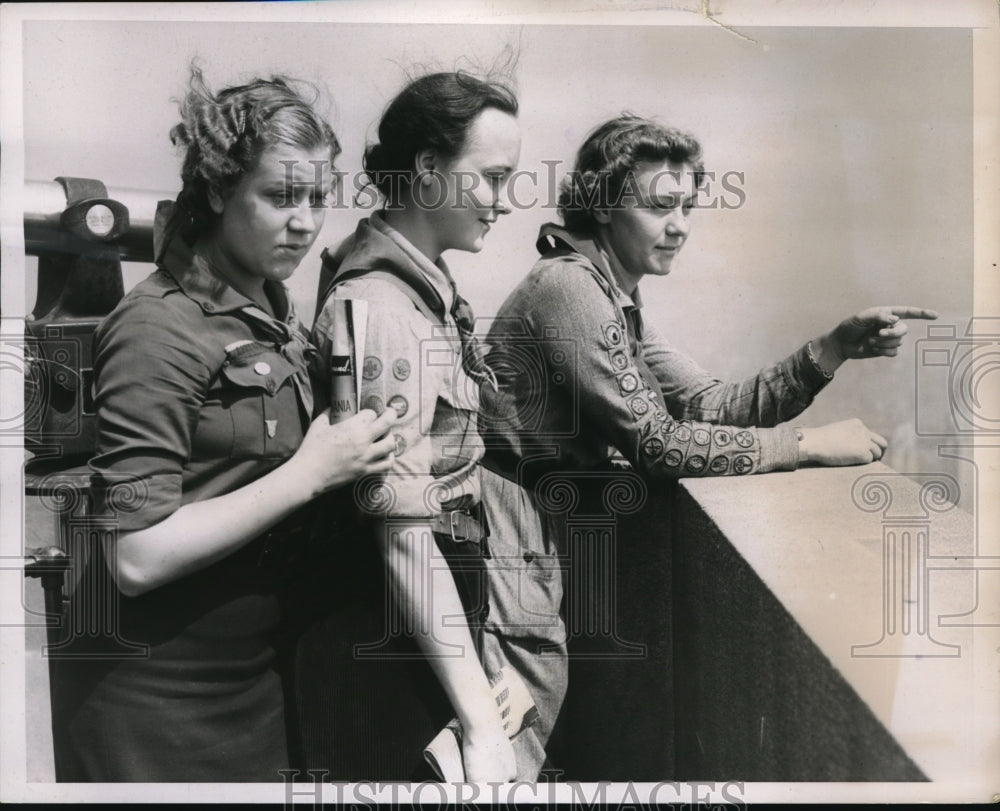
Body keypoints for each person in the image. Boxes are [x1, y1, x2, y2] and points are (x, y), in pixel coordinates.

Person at [476, 114, 938, 779]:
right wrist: (804, 444)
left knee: (524, 737)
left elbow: (712, 405)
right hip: (509, 545)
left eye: (687, 205)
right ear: (604, 206)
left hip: (545, 541)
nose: (681, 223)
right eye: (662, 204)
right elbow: (659, 445)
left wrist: (830, 351)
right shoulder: (569, 291)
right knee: (506, 748)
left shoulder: (610, 298)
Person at [50, 66, 397, 782]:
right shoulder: (158, 328)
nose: (303, 220)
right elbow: (134, 557)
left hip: (257, 684)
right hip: (158, 705)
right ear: (216, 191)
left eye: (315, 197)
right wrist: (311, 472)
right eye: (278, 196)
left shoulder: (271, 312)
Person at [294, 71, 523, 782]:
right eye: (489, 178)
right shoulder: (384, 309)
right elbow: (400, 532)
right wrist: (481, 720)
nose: (501, 201)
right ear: (427, 169)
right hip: (386, 635)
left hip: (424, 622)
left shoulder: (420, 295)